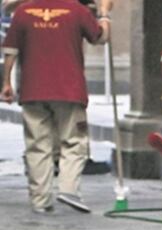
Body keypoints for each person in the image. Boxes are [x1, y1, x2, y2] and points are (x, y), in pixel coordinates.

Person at [0, 0, 109, 213]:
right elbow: (100, 37)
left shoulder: (23, 11)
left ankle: (40, 200)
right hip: (69, 90)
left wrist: (6, 82)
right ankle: (69, 189)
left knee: (37, 146)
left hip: (33, 89)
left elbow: (10, 49)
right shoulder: (77, 10)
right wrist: (104, 12)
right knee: (74, 141)